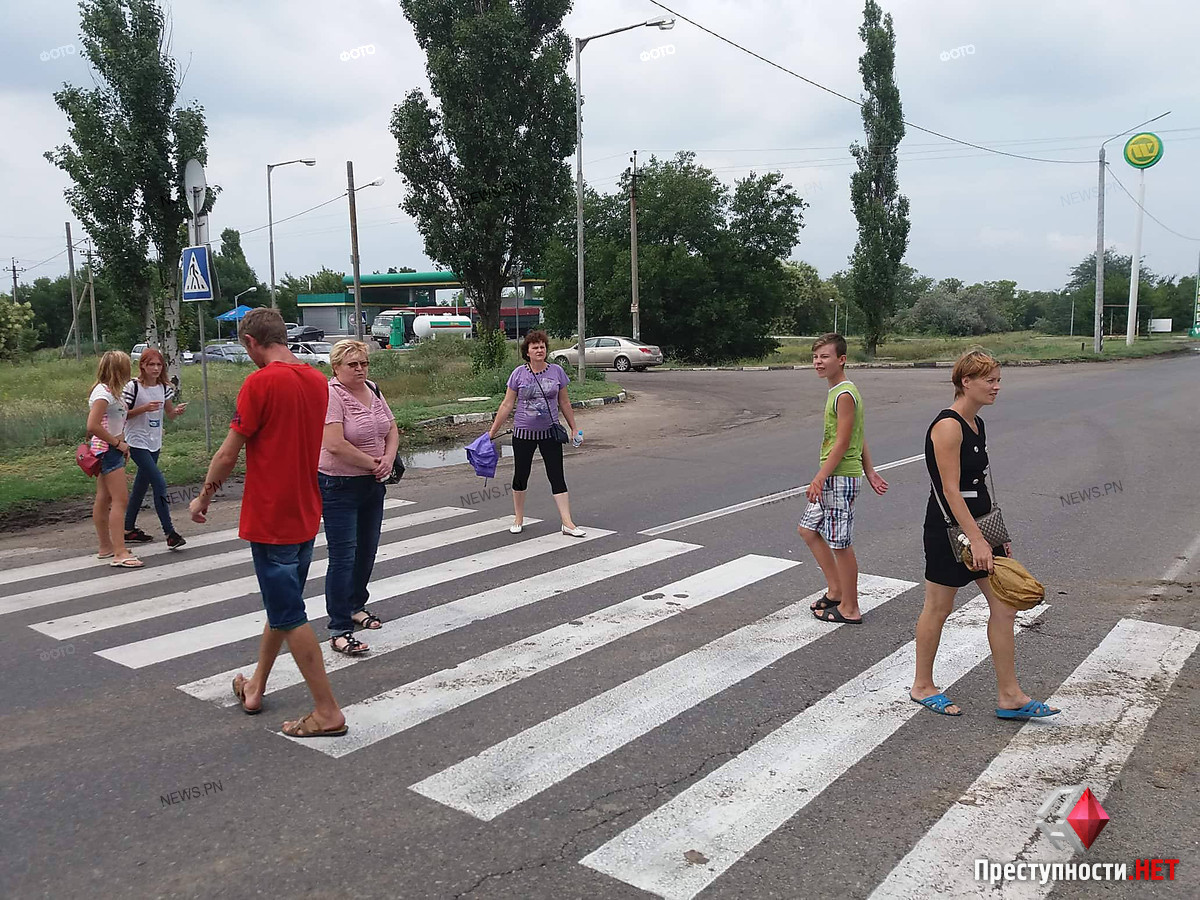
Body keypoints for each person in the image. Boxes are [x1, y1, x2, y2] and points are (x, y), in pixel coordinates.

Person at [189, 308, 347, 738]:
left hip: (271, 515)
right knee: (283, 606)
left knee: (289, 612)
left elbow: (227, 453)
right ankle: (256, 685)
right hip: (305, 510)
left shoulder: (259, 383)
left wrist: (202, 497)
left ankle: (327, 711)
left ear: (249, 342)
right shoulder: (317, 380)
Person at [909, 349, 1060, 720]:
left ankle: (1010, 696)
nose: (997, 387)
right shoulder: (948, 426)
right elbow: (950, 490)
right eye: (989, 380)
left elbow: (981, 486)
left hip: (980, 528)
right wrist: (976, 540)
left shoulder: (977, 424)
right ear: (966, 382)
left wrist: (995, 536)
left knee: (1005, 606)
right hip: (950, 531)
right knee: (939, 607)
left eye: (998, 380)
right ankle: (922, 685)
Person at [799, 333, 888, 624]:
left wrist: (820, 477)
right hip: (834, 476)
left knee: (840, 544)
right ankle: (836, 590)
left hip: (838, 477)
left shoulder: (845, 394)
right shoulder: (837, 391)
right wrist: (871, 470)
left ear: (841, 359)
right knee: (808, 530)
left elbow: (844, 441)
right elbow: (857, 437)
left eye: (825, 357)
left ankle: (850, 607)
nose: (818, 362)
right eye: (815, 357)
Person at [319, 339, 399, 655]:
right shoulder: (332, 395)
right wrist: (375, 463)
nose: (359, 369)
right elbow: (335, 443)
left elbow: (391, 429)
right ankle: (339, 627)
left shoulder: (373, 389)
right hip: (339, 485)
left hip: (372, 484)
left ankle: (355, 605)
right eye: (352, 364)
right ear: (336, 367)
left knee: (367, 550)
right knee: (343, 555)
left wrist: (388, 460)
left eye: (363, 363)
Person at [486, 329, 585, 536]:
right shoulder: (518, 374)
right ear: (527, 352)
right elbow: (506, 404)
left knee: (556, 475)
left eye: (542, 346)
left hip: (550, 432)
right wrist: (491, 432)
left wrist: (574, 427)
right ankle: (518, 518)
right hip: (523, 434)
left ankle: (567, 522)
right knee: (521, 475)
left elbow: (564, 402)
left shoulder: (557, 371)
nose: (539, 350)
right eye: (535, 347)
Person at [121, 347, 189, 549]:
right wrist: (143, 409)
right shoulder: (132, 387)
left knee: (141, 487)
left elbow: (169, 413)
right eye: (151, 364)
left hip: (154, 441)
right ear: (142, 365)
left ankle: (128, 528)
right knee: (159, 483)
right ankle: (170, 532)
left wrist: (177, 411)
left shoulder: (163, 387)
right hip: (136, 441)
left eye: (159, 365)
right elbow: (122, 414)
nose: (156, 368)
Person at [87, 350, 143, 568]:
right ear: (119, 369)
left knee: (104, 497)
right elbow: (92, 425)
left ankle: (106, 546)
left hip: (111, 449)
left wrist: (121, 444)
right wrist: (118, 443)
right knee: (120, 500)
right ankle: (120, 552)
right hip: (108, 450)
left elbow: (113, 421)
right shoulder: (104, 394)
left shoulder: (110, 391)